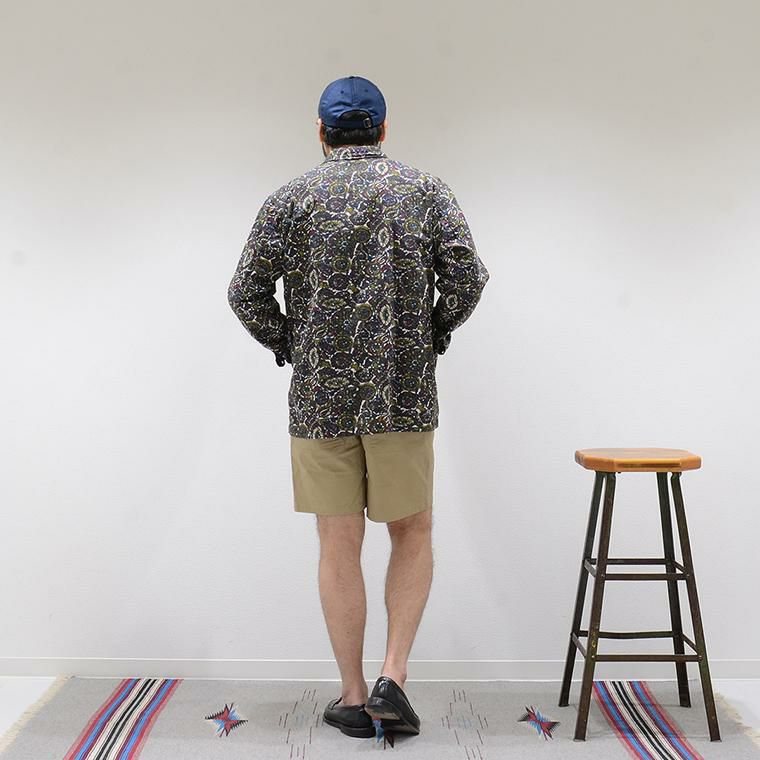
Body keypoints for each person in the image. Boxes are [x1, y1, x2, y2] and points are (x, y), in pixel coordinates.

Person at [227, 75, 490, 741]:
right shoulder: (423, 191)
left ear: (321, 133)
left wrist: (293, 345)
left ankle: (351, 694)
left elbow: (246, 291)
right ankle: (392, 678)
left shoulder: (290, 199)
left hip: (320, 401)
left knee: (338, 540)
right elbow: (467, 277)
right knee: (413, 531)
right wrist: (429, 336)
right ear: (383, 129)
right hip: (402, 395)